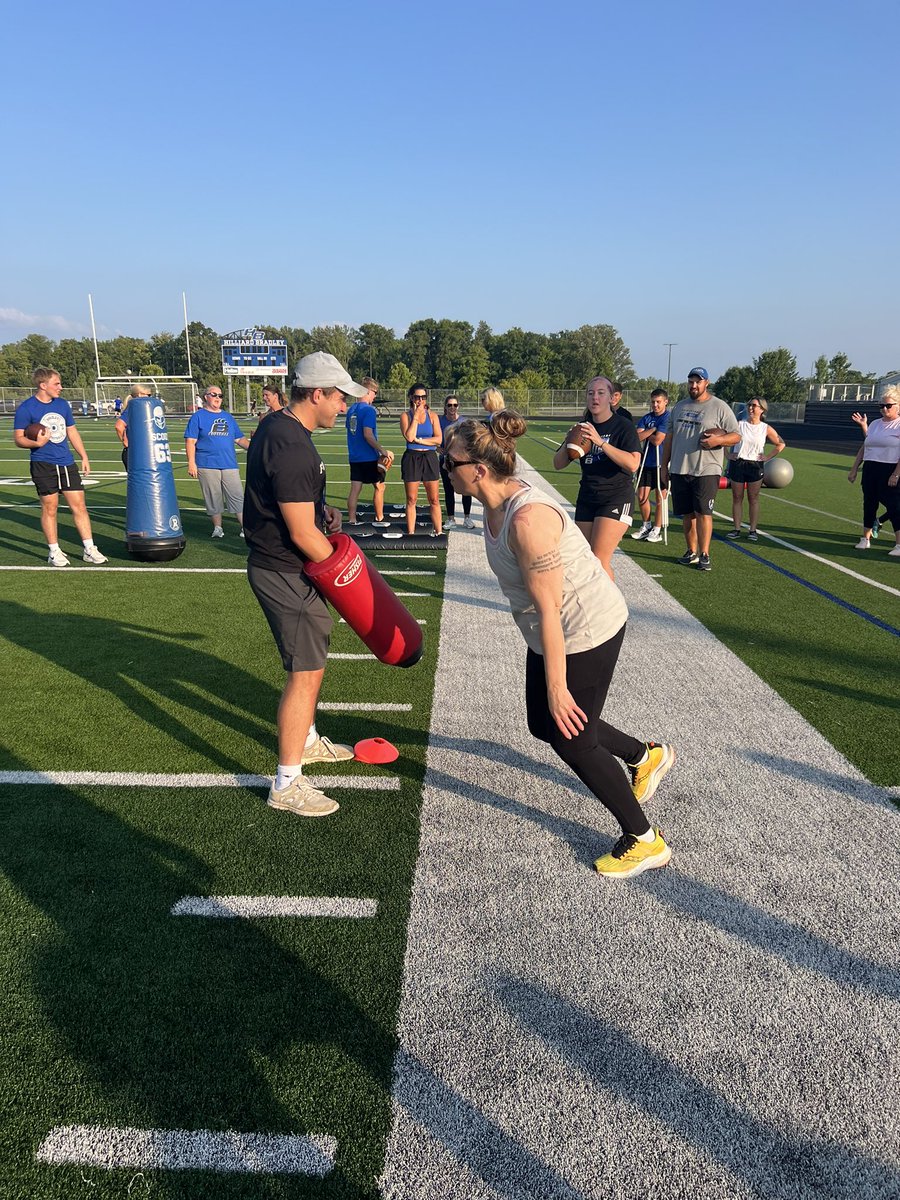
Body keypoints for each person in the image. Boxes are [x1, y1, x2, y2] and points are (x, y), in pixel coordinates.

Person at [444, 411, 675, 878]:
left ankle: (643, 838)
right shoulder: (493, 505)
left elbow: (552, 609)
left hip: (585, 629)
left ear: (479, 470)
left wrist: (557, 686)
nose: (444, 469)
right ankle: (643, 754)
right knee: (542, 725)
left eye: (450, 462)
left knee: (573, 738)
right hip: (551, 629)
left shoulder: (527, 520)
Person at [243, 351, 367, 817]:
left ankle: (309, 740)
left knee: (309, 663)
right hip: (286, 570)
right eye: (339, 398)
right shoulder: (292, 444)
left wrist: (322, 513)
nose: (344, 407)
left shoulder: (284, 428)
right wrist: (346, 579)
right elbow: (300, 534)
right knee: (306, 672)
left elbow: (298, 511)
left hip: (284, 565)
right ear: (317, 394)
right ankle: (287, 781)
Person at [13, 367, 108, 566]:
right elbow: (19, 439)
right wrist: (36, 443)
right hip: (43, 464)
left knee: (80, 506)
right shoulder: (26, 408)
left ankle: (89, 549)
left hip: (66, 462)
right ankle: (54, 551)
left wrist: (83, 456)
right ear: (43, 385)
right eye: (56, 384)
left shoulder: (62, 405)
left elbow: (72, 431)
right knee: (50, 509)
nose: (61, 387)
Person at [552, 375, 640, 582]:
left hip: (616, 496)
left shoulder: (623, 426)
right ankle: (596, 607)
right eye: (591, 393)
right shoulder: (582, 426)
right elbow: (558, 464)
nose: (595, 398)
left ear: (612, 398)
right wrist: (569, 443)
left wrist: (601, 443)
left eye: (601, 393)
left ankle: (612, 612)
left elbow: (633, 464)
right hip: (588, 496)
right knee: (587, 558)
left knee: (599, 559)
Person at [660, 367, 740, 572]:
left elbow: (736, 436)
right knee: (687, 514)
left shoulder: (719, 407)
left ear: (706, 383)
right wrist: (664, 465)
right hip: (680, 467)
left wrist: (719, 440)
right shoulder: (679, 406)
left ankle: (705, 554)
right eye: (691, 382)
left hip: (706, 468)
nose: (693, 385)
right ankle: (691, 551)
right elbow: (669, 438)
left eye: (698, 381)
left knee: (703, 512)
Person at [184, 386, 251, 538]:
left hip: (229, 463)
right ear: (205, 397)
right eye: (214, 395)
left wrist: (255, 448)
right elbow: (190, 441)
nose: (218, 398)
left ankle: (245, 528)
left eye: (220, 395)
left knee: (237, 496)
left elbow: (239, 438)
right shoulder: (198, 416)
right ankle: (218, 528)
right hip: (206, 463)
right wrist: (191, 462)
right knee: (213, 497)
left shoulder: (228, 417)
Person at [848, 386, 900, 555]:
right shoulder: (876, 424)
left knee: (894, 506)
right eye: (881, 406)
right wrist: (854, 468)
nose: (884, 409)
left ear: (898, 405)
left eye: (888, 406)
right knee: (869, 503)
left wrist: (896, 474)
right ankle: (865, 539)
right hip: (871, 468)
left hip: (890, 468)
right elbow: (866, 446)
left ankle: (898, 545)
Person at [725, 397, 785, 541]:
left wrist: (767, 457)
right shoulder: (739, 425)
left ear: (762, 409)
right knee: (737, 498)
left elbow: (781, 444)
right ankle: (737, 529)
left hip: (755, 466)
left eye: (754, 406)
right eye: (749, 405)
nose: (751, 408)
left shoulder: (765, 428)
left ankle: (752, 531)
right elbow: (723, 438)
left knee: (753, 498)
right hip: (738, 464)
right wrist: (727, 455)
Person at [346, 376, 394, 526]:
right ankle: (379, 517)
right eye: (374, 392)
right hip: (368, 456)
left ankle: (352, 519)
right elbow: (368, 435)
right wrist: (383, 451)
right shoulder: (369, 410)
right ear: (368, 391)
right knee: (380, 486)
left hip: (354, 456)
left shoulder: (351, 410)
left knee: (355, 489)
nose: (375, 396)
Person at [399, 384, 442, 536]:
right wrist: (416, 418)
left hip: (429, 457)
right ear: (411, 397)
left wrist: (422, 441)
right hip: (412, 458)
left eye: (423, 397)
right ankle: (411, 532)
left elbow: (438, 439)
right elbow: (409, 437)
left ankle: (439, 531)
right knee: (411, 499)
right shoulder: (406, 416)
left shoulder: (433, 416)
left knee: (434, 499)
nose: (421, 400)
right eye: (417, 397)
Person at [631, 388, 670, 542]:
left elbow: (657, 440)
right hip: (646, 462)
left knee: (660, 497)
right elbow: (637, 437)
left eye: (658, 402)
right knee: (641, 496)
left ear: (665, 402)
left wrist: (649, 431)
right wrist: (652, 430)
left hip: (662, 463)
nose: (655, 405)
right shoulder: (647, 417)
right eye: (653, 402)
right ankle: (646, 525)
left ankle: (657, 529)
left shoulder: (667, 418)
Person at [438, 395, 474, 528]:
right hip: (446, 460)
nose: (452, 408)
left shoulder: (464, 421)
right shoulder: (439, 420)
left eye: (455, 405)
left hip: (462, 461)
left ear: (458, 406)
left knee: (466, 489)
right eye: (449, 405)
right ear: (445, 407)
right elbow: (432, 436)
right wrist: (437, 448)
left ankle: (467, 518)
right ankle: (451, 519)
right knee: (448, 489)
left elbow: (471, 440)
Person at [115, 382, 154, 471]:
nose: (150, 397)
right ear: (139, 394)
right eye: (148, 395)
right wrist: (126, 441)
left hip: (142, 451)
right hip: (134, 452)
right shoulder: (133, 408)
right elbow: (119, 426)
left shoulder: (143, 408)